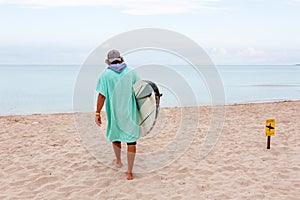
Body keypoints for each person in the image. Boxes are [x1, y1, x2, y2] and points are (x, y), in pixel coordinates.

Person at [95, 50, 141, 180]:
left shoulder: (106, 75)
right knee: (131, 141)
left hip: (115, 113)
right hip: (130, 112)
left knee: (116, 136)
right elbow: (140, 90)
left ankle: (119, 161)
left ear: (108, 61)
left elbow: (101, 95)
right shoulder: (131, 72)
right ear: (120, 59)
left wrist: (97, 113)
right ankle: (129, 172)